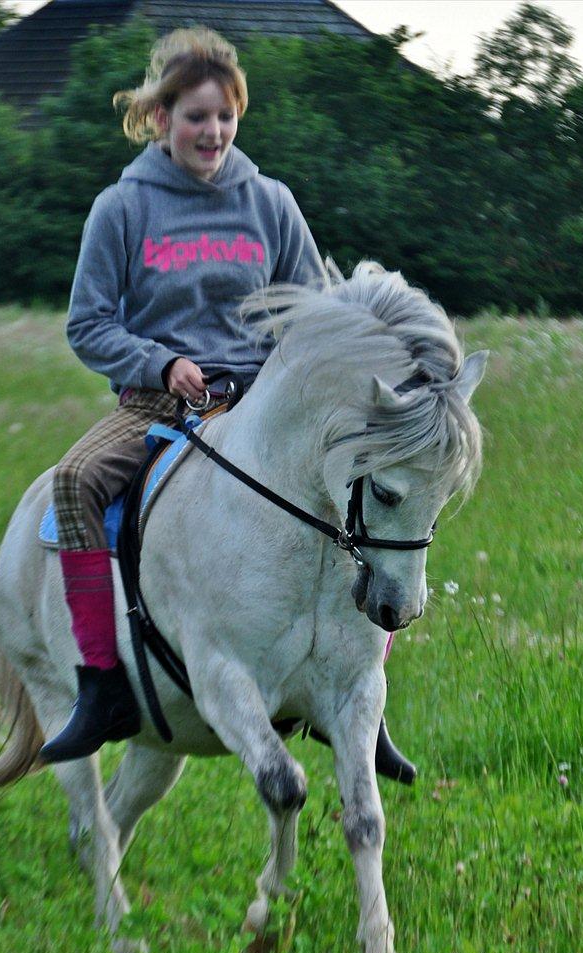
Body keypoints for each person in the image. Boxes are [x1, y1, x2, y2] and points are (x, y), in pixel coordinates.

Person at [39, 27, 416, 786]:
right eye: (195, 117)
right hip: (156, 403)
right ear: (160, 120)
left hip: (262, 403)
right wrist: (160, 362)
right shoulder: (121, 208)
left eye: (224, 117)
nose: (212, 132)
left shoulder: (270, 202)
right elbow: (87, 324)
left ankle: (360, 709)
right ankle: (102, 687)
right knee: (75, 483)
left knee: (369, 493)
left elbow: (313, 310)